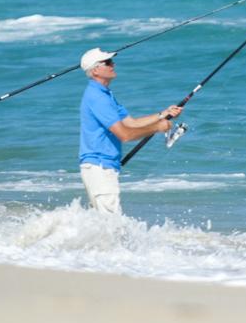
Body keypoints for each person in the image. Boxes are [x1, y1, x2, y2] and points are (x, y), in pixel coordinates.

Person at [78, 48, 182, 214]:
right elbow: (125, 135)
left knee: (103, 224)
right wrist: (157, 127)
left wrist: (163, 114)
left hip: (104, 167)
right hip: (99, 167)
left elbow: (131, 123)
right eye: (108, 62)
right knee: (112, 224)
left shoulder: (105, 95)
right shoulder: (97, 98)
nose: (113, 64)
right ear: (96, 70)